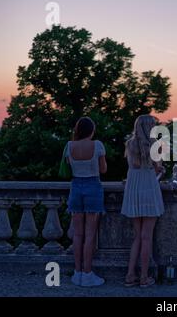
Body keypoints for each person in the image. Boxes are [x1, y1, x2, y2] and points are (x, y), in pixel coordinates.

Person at [121, 114, 165, 288]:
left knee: (137, 237)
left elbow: (133, 166)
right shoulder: (155, 146)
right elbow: (156, 171)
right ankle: (144, 278)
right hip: (148, 190)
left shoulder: (130, 144)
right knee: (147, 237)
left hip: (133, 190)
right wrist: (161, 171)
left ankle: (130, 275)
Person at [64, 117, 107, 287]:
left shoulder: (69, 146)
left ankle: (77, 273)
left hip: (76, 187)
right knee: (90, 235)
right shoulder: (97, 145)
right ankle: (87, 274)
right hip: (93, 187)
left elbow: (69, 166)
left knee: (77, 234)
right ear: (91, 130)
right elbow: (103, 169)